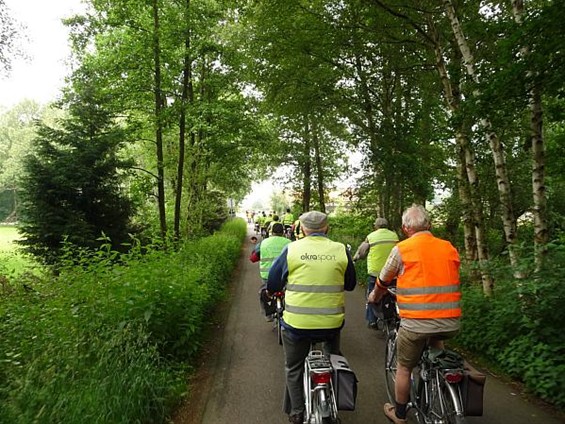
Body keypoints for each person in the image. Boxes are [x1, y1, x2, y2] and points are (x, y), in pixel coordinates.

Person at [368, 204, 461, 424]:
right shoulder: (449, 247)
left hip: (416, 324)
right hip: (450, 321)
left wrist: (375, 296)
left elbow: (383, 280)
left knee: (404, 367)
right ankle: (443, 386)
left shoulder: (402, 249)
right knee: (436, 349)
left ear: (404, 228)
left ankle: (399, 415)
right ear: (429, 225)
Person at [268, 211, 357, 424]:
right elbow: (351, 285)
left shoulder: (291, 249)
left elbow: (272, 284)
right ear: (326, 228)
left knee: (294, 366)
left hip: (296, 325)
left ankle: (297, 411)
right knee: (333, 358)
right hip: (331, 324)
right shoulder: (340, 250)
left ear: (302, 229)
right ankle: (334, 396)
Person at [352, 217, 399, 329]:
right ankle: (394, 316)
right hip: (393, 271)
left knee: (372, 294)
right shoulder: (394, 236)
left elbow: (362, 252)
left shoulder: (371, 236)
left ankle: (372, 321)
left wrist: (355, 259)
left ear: (376, 226)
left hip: (376, 272)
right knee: (394, 294)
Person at [250, 223, 291, 320]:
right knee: (288, 292)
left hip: (267, 276)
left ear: (271, 232)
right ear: (283, 232)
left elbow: (253, 258)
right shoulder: (289, 243)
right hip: (284, 275)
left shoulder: (264, 243)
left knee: (264, 292)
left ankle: (268, 315)